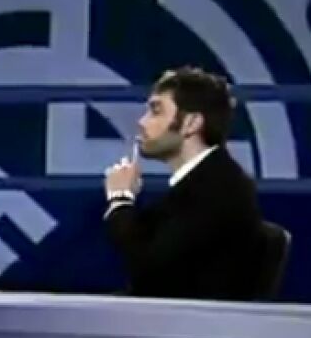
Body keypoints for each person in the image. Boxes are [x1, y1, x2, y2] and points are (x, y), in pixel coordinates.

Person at [102, 66, 264, 301]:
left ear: (191, 123)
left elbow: (149, 270)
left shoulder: (218, 189)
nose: (142, 122)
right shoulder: (199, 182)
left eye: (156, 111)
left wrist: (120, 199)